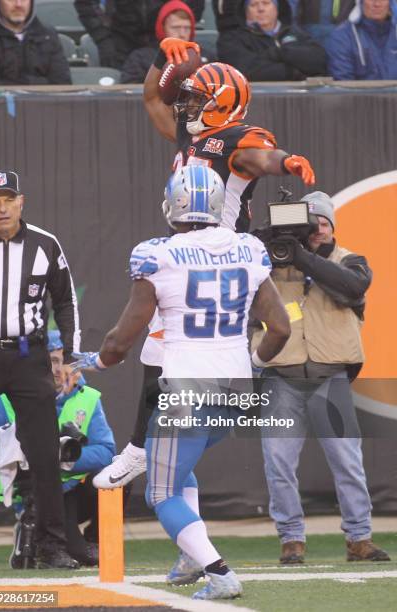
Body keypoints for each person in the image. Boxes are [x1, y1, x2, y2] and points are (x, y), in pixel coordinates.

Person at [92, 36, 315, 491]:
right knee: (157, 350)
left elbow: (259, 156)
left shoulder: (235, 140)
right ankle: (153, 449)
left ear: (222, 105)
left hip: (220, 256)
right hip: (191, 256)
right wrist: (161, 55)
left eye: (196, 98)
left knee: (163, 346)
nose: (186, 104)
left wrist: (286, 161)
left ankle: (141, 449)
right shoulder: (191, 135)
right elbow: (153, 95)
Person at [72, 165, 291, 599]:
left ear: (172, 205)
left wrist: (96, 360)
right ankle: (192, 552)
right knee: (173, 465)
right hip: (235, 390)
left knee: (162, 492)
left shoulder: (159, 254)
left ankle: (218, 572)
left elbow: (121, 338)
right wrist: (253, 362)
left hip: (187, 388)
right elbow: (280, 328)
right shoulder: (247, 248)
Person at [251, 191, 391, 564]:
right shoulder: (272, 264)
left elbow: (351, 290)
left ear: (333, 227)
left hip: (331, 378)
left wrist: (302, 257)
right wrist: (263, 240)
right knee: (278, 462)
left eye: (323, 224)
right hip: (282, 377)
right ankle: (291, 540)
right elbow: (242, 284)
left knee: (347, 461)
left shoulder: (352, 261)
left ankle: (359, 539)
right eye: (310, 225)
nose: (317, 231)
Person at [0, 170, 80, 569]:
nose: (2, 207)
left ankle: (50, 544)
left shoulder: (45, 244)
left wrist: (72, 355)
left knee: (45, 454)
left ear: (22, 202)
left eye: (8, 199)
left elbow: (66, 301)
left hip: (29, 357)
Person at [0, 330, 116, 568]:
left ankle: (93, 540)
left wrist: (58, 458)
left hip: (73, 488)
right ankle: (30, 528)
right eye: (48, 360)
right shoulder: (5, 399)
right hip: (31, 489)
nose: (55, 368)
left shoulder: (88, 397)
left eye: (59, 360)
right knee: (75, 555)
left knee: (119, 475)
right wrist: (11, 442)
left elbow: (107, 450)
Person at [214, 0, 327, 81]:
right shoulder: (231, 39)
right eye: (253, 5)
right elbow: (245, 72)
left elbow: (318, 60)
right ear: (245, 12)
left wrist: (279, 53)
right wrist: (295, 73)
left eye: (266, 3)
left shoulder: (296, 34)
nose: (261, 9)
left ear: (277, 8)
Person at [74, 0, 204, 69]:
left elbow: (195, 5)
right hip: (118, 41)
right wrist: (103, 39)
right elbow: (85, 4)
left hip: (163, 40)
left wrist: (179, 19)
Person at [121, 1, 210, 84]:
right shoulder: (140, 58)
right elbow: (131, 92)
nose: (182, 34)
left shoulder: (205, 56)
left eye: (187, 28)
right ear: (163, 28)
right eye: (176, 28)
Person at [0, 0, 72, 85]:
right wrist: (41, 82)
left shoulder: (47, 34)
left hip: (46, 98)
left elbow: (62, 83)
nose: (19, 4)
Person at [326, 0, 397, 80]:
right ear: (360, 2)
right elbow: (343, 84)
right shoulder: (342, 37)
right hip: (358, 92)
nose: (377, 4)